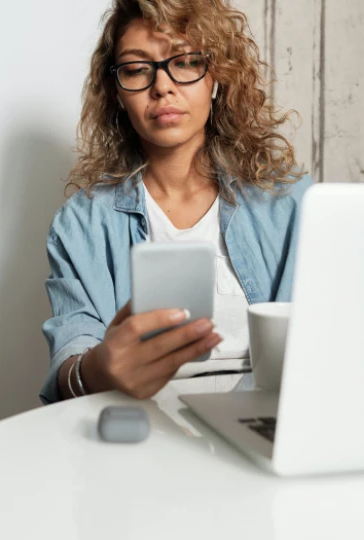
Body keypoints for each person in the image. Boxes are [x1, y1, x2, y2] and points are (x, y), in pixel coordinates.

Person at [40, 0, 312, 405]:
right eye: (136, 69)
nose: (162, 86)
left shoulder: (291, 205)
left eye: (184, 62)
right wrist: (94, 370)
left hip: (263, 428)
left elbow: (317, 347)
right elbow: (72, 354)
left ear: (216, 77)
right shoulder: (81, 224)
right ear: (116, 92)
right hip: (141, 433)